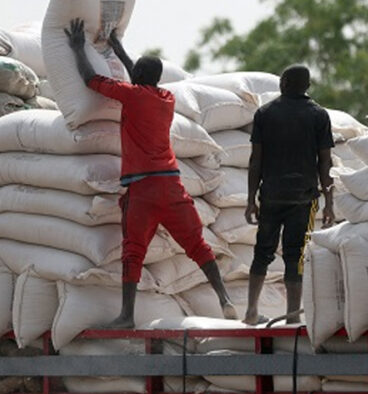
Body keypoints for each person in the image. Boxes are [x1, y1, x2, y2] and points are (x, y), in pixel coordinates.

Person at [64, 18, 237, 328]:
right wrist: (117, 48)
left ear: (139, 77)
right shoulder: (166, 100)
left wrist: (78, 48)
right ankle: (224, 297)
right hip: (172, 186)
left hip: (142, 191)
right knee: (197, 245)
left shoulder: (130, 95)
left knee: (133, 251)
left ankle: (127, 316)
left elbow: (91, 79)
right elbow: (139, 76)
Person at [244, 64, 335, 325]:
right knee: (295, 256)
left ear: (282, 83)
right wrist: (329, 203)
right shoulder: (319, 115)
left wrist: (251, 200)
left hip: (271, 195)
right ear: (307, 86)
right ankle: (292, 316)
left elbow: (255, 161)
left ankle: (250, 312)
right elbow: (325, 164)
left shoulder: (265, 113)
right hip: (303, 199)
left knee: (262, 252)